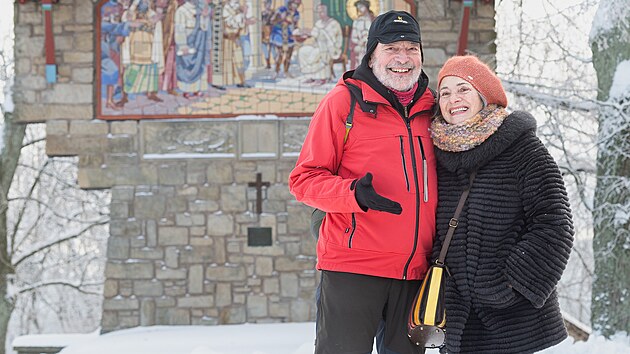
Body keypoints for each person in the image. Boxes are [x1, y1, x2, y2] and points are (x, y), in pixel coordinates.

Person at [289, 11, 436, 354]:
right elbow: (303, 180)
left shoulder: (434, 107)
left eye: (411, 48)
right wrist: (352, 193)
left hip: (414, 273)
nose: (403, 58)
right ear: (372, 54)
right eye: (391, 48)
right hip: (353, 268)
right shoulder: (343, 103)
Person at [430, 55, 574, 353]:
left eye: (463, 89)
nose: (453, 99)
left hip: (514, 320)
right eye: (445, 92)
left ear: (484, 96)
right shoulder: (437, 156)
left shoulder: (524, 149)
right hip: (457, 319)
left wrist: (513, 284)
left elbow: (555, 222)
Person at [296, 4, 343, 85]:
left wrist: (314, 33)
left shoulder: (333, 23)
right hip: (318, 46)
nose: (320, 14)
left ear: (326, 12)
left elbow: (330, 38)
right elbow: (314, 35)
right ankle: (310, 76)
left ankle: (322, 78)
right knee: (303, 51)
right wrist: (305, 34)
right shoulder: (318, 23)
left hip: (331, 48)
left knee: (317, 53)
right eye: (318, 12)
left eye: (322, 12)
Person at [349, 0, 374, 70]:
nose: (360, 9)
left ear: (366, 7)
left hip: (371, 44)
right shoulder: (357, 21)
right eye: (358, 7)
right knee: (359, 52)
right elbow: (353, 36)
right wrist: (359, 42)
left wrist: (366, 41)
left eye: (361, 6)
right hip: (359, 45)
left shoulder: (373, 19)